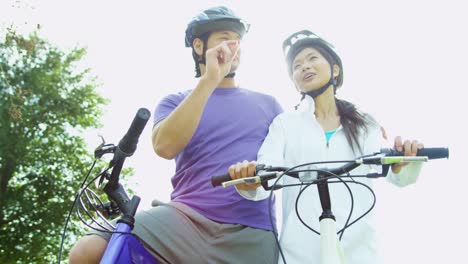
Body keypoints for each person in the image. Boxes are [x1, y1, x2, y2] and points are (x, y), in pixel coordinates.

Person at [68, 6, 282, 264]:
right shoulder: (175, 101)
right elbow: (165, 146)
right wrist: (210, 80)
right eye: (224, 37)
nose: (233, 45)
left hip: (252, 229)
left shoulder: (269, 104)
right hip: (184, 220)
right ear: (199, 46)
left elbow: (288, 163)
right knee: (88, 251)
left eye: (237, 39)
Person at [229, 29, 424, 264]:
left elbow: (392, 172)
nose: (304, 67)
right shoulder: (285, 124)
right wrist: (250, 178)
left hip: (357, 248)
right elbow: (265, 175)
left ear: (335, 69)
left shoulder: (365, 123)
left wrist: (402, 162)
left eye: (312, 58)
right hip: (300, 250)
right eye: (296, 65)